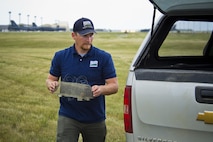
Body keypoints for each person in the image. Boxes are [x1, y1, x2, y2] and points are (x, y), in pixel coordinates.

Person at [46, 17, 118, 142]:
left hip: (95, 118)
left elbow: (114, 86)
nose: (89, 40)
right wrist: (51, 84)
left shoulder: (104, 57)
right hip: (68, 116)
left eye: (91, 35)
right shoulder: (61, 56)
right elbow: (50, 79)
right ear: (73, 35)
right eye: (85, 36)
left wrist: (101, 89)